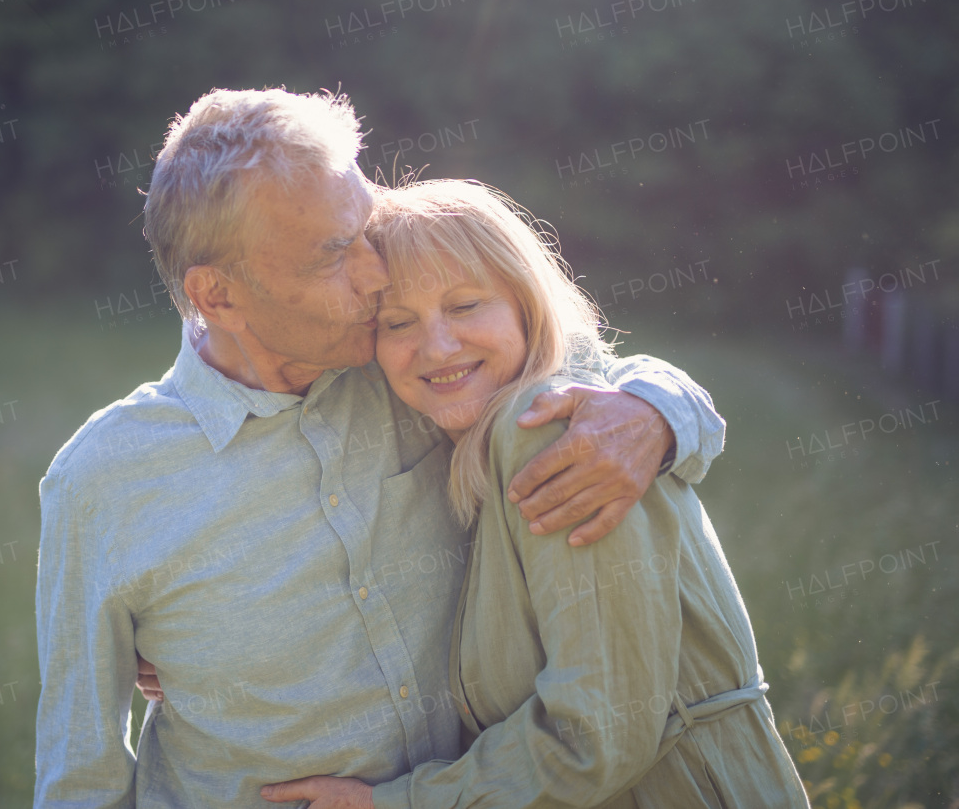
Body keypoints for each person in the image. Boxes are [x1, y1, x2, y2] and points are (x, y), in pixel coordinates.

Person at [34, 88, 727, 808]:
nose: (374, 273)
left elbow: (583, 375)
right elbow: (79, 774)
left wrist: (658, 414)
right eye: (333, 255)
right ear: (219, 296)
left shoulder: (418, 370)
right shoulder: (103, 480)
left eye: (363, 232)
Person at [260, 179, 808, 808]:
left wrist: (399, 804)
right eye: (398, 321)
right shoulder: (457, 443)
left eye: (466, 306)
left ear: (526, 303)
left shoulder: (550, 432)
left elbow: (595, 734)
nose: (436, 346)